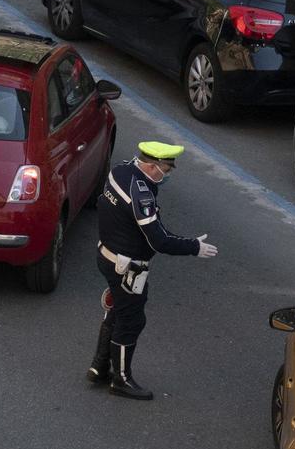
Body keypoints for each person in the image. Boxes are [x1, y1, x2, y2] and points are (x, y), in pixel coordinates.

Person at [87, 141, 218, 400]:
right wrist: (193, 246)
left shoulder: (121, 171)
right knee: (131, 320)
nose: (167, 174)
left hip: (106, 254)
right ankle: (120, 379)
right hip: (126, 267)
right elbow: (158, 239)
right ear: (150, 165)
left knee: (117, 311)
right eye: (166, 169)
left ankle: (99, 366)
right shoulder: (142, 193)